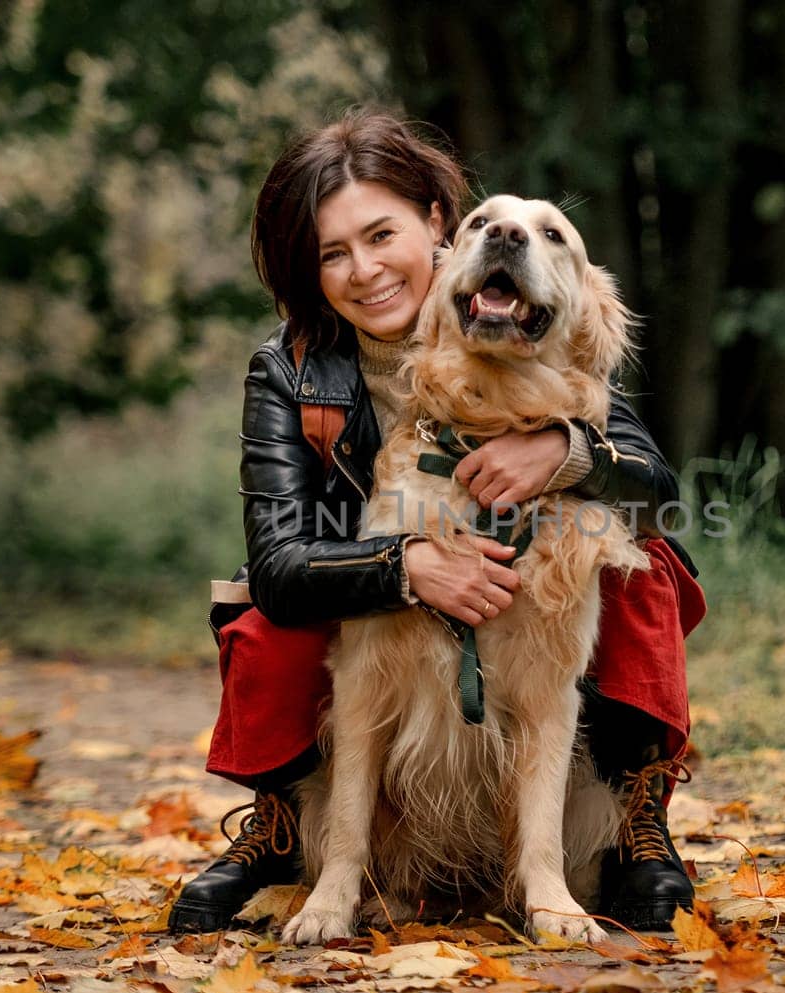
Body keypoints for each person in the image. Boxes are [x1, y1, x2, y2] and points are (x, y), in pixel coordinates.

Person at [168, 110, 707, 936]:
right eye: (332, 254)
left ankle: (636, 822)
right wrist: (405, 567)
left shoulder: (563, 354)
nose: (365, 270)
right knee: (266, 614)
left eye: (381, 234)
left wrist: (566, 453)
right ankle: (287, 831)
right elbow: (280, 561)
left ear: (434, 227)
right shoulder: (288, 368)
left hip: (533, 671)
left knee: (641, 560)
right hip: (361, 616)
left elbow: (658, 493)